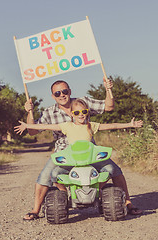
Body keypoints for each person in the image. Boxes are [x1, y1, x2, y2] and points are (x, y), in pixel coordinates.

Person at [19, 78, 142, 220]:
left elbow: (109, 108)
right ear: (53, 96)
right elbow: (34, 131)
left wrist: (108, 89)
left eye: (64, 91)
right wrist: (29, 113)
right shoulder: (51, 114)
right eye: (57, 93)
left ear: (69, 91)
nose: (62, 95)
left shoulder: (83, 104)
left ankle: (126, 203)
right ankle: (38, 209)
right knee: (47, 175)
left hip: (90, 153)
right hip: (64, 154)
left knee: (114, 170)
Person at [15, 98, 143, 191]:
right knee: (54, 174)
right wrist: (27, 125)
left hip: (90, 158)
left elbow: (112, 126)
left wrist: (130, 124)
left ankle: (96, 190)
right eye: (76, 113)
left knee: (111, 170)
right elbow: (45, 126)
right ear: (71, 114)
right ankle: (64, 194)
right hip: (73, 160)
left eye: (83, 112)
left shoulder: (91, 125)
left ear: (87, 112)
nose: (80, 115)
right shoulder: (67, 126)